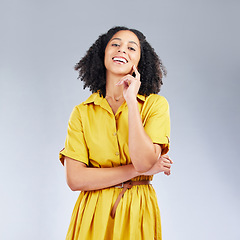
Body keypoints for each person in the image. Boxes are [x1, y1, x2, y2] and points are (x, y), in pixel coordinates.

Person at [59, 26, 173, 240]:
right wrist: (141, 170)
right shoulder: (82, 112)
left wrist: (131, 100)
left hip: (137, 209)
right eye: (115, 44)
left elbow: (143, 161)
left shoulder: (155, 105)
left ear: (140, 61)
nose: (122, 50)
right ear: (103, 53)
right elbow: (75, 179)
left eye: (132, 48)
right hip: (92, 214)